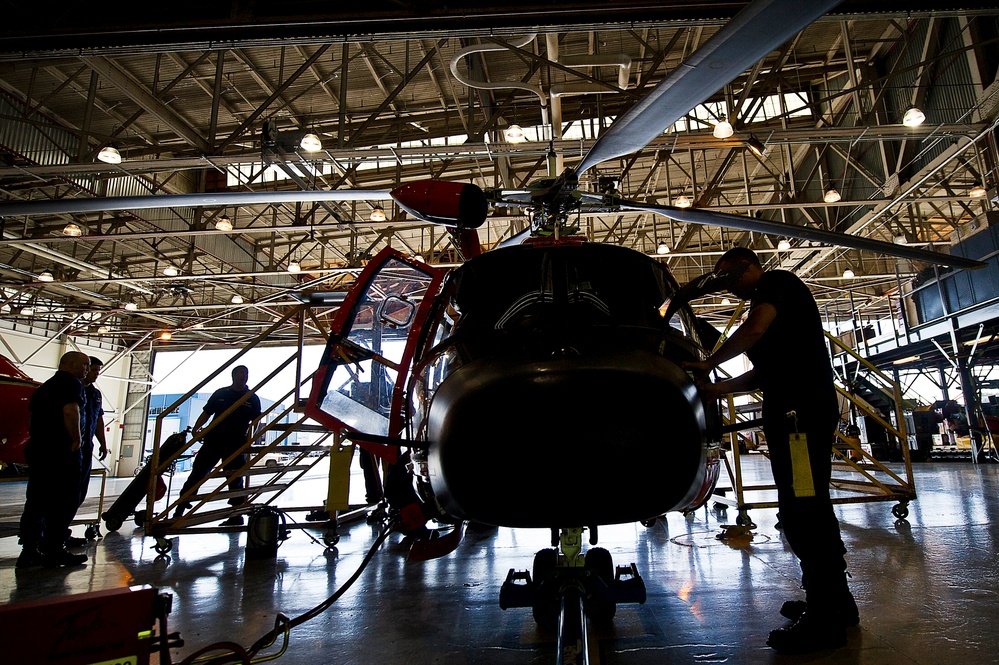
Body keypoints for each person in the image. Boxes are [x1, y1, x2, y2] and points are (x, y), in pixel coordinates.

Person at [682, 247, 857, 654]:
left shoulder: (776, 284)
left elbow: (754, 330)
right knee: (807, 505)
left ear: (751, 266)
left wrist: (709, 362)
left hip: (798, 419)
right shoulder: (782, 315)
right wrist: (718, 388)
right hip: (795, 412)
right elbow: (767, 372)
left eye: (729, 276)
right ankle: (837, 602)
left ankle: (826, 618)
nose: (727, 286)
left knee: (803, 510)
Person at [16, 351, 91, 568]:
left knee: (36, 501)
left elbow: (30, 420)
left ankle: (29, 550)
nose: (86, 369)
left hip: (40, 450)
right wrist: (76, 438)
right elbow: (71, 411)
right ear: (69, 365)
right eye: (84, 365)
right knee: (64, 501)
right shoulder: (72, 384)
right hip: (62, 453)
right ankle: (54, 548)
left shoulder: (43, 388)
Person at [174, 365, 261, 526]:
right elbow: (207, 412)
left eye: (246, 375)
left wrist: (251, 439)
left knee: (235, 478)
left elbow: (256, 421)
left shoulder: (252, 398)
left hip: (236, 443)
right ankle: (179, 509)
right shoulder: (221, 394)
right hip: (214, 440)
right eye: (241, 374)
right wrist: (196, 428)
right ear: (233, 376)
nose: (244, 377)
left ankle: (236, 515)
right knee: (198, 472)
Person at [68, 356, 109, 547]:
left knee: (78, 491)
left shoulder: (95, 394)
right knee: (65, 490)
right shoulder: (71, 389)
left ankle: (62, 530)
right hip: (70, 447)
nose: (94, 375)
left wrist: (103, 442)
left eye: (97, 372)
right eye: (92, 370)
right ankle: (52, 533)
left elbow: (98, 420)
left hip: (86, 447)